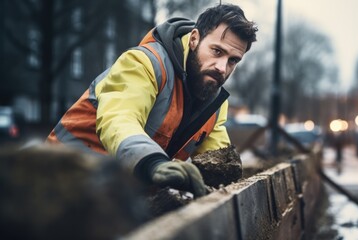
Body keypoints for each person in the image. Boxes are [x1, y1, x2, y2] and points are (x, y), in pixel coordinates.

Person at [46, 4, 257, 198]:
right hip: (58, 181)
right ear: (194, 39)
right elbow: (119, 120)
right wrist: (154, 163)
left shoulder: (214, 102)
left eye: (233, 60)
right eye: (217, 51)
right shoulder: (143, 64)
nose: (222, 67)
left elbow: (218, 162)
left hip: (114, 196)